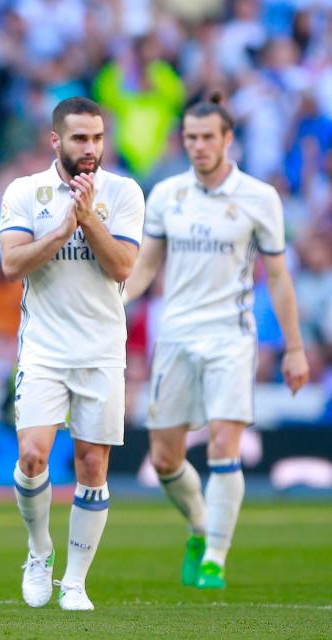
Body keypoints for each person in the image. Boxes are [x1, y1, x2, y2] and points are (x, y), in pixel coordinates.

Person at [123, 95, 309, 590]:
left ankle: (216, 560)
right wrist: (113, 303)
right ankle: (201, 527)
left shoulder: (258, 196)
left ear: (228, 140)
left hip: (231, 334)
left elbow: (279, 277)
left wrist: (293, 348)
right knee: (165, 458)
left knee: (225, 444)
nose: (199, 146)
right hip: (176, 333)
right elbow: (146, 265)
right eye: (191, 138)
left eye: (208, 137)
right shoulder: (166, 194)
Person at [0, 96, 144, 611]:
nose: (91, 148)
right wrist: (61, 228)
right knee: (32, 454)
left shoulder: (123, 192)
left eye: (98, 138)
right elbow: (12, 265)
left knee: (91, 465)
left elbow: (123, 266)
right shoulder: (25, 192)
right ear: (55, 141)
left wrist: (88, 221)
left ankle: (76, 581)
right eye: (80, 138)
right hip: (43, 346)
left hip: (102, 348)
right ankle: (39, 552)